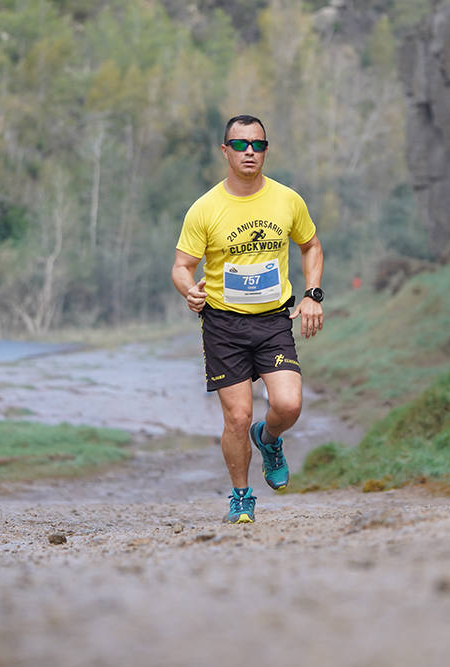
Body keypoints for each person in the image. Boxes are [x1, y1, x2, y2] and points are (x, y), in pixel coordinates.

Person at [171, 114, 325, 524]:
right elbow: (182, 266)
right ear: (226, 151)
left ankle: (269, 438)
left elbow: (311, 246)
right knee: (237, 417)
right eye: (240, 145)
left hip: (273, 321)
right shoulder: (205, 209)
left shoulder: (287, 200)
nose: (250, 152)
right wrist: (189, 289)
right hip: (223, 324)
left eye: (257, 144)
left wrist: (312, 295)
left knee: (288, 404)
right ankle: (242, 497)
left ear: (266, 150)